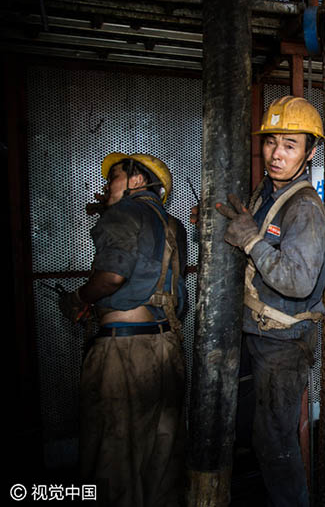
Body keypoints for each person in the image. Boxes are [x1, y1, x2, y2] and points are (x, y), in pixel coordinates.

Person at [215, 95, 325, 506]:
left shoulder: (305, 208)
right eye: (271, 142)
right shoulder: (267, 191)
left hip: (283, 344)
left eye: (290, 145)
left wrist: (251, 240)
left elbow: (297, 281)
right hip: (258, 335)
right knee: (254, 433)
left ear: (309, 151)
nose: (276, 154)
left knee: (276, 445)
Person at [59, 153, 187, 507]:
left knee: (114, 457)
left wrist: (78, 298)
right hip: (167, 347)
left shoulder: (122, 214)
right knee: (162, 457)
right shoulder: (173, 225)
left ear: (135, 180)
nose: (105, 186)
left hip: (123, 353)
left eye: (113, 177)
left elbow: (112, 277)